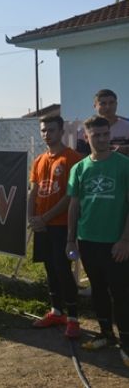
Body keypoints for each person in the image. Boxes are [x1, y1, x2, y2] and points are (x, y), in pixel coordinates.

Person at [66, 115, 129, 366]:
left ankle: (126, 343)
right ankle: (106, 335)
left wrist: (125, 240)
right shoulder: (79, 168)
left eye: (105, 134)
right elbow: (74, 206)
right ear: (86, 137)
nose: (102, 139)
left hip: (116, 242)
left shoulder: (124, 165)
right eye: (96, 135)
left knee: (121, 293)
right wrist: (71, 239)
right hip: (88, 240)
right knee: (98, 290)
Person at [27, 115, 82, 338]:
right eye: (43, 130)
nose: (47, 134)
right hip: (41, 225)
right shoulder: (39, 160)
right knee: (50, 268)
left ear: (61, 132)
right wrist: (32, 217)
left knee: (63, 269)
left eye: (51, 130)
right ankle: (56, 311)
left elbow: (71, 197)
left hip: (60, 225)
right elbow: (33, 191)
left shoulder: (73, 158)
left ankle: (73, 318)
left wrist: (46, 217)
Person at [76, 89, 129, 155]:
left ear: (116, 104)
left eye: (111, 103)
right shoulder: (84, 131)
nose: (108, 107)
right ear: (95, 106)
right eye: (103, 103)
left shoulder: (127, 126)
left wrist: (126, 149)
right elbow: (80, 156)